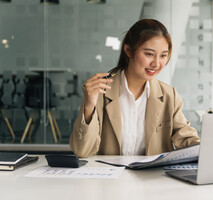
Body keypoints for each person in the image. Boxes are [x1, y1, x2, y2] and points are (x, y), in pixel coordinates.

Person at [70, 19, 200, 158]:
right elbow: (81, 151)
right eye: (149, 54)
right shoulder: (101, 91)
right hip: (109, 177)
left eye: (163, 55)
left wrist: (211, 149)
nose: (156, 64)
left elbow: (186, 139)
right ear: (129, 51)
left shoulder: (169, 95)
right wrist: (89, 105)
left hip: (151, 178)